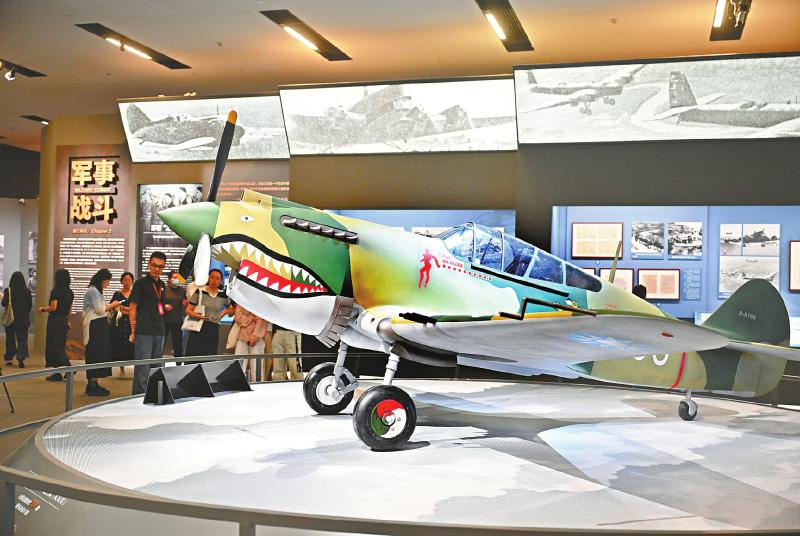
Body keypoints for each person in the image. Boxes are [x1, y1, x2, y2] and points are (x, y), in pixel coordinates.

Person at [129, 251, 169, 395]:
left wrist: (165, 307)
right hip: (144, 330)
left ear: (164, 267)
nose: (156, 269)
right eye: (154, 265)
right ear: (148, 264)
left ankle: (152, 395)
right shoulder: (140, 284)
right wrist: (133, 330)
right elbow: (133, 307)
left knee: (156, 367)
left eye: (160, 266)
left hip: (160, 330)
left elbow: (159, 305)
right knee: (143, 368)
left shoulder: (162, 285)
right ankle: (138, 397)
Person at [83, 269, 120, 396]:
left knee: (99, 353)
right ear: (102, 280)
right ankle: (92, 385)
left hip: (99, 325)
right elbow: (99, 309)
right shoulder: (93, 290)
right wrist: (113, 304)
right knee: (95, 353)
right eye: (107, 281)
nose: (108, 284)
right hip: (95, 326)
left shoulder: (96, 291)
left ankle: (94, 383)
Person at [185, 269, 234, 358]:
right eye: (212, 277)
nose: (214, 280)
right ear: (208, 278)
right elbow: (188, 310)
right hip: (198, 326)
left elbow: (230, 308)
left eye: (217, 279)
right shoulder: (199, 292)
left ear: (220, 281)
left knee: (209, 354)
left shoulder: (223, 295)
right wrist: (200, 316)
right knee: (194, 354)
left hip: (213, 328)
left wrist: (221, 314)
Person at [38, 269, 74, 381]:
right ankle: (57, 373)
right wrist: (68, 321)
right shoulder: (70, 292)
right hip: (63, 320)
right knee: (59, 346)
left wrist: (43, 309)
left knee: (55, 347)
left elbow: (53, 307)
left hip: (55, 321)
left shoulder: (55, 292)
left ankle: (69, 369)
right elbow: (69, 309)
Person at [3, 271, 33, 368]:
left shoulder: (8, 290)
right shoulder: (27, 291)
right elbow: (30, 305)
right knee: (22, 339)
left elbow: (4, 304)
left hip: (10, 320)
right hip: (23, 320)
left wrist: (3, 298)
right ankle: (21, 356)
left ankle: (9, 358)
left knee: (10, 339)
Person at [233, 304, 270, 382]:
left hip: (258, 338)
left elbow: (262, 319)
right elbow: (237, 317)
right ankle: (238, 384)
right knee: (239, 364)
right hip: (242, 335)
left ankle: (258, 386)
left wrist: (255, 336)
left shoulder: (261, 302)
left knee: (257, 366)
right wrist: (251, 318)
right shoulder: (242, 301)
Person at [110, 272, 135, 374]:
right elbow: (114, 307)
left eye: (129, 280)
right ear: (121, 281)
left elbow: (135, 308)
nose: (127, 282)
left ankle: (133, 367)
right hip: (119, 322)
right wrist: (127, 310)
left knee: (131, 343)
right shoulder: (117, 294)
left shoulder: (134, 294)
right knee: (119, 343)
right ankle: (122, 369)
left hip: (131, 322)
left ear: (132, 281)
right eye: (125, 280)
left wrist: (123, 308)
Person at [164, 271, 186, 362]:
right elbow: (159, 302)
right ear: (169, 279)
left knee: (177, 343)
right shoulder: (164, 289)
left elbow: (184, 303)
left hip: (177, 320)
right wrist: (164, 306)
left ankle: (179, 363)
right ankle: (157, 363)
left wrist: (185, 303)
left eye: (178, 278)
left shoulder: (182, 290)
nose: (177, 280)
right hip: (164, 320)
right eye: (175, 278)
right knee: (161, 342)